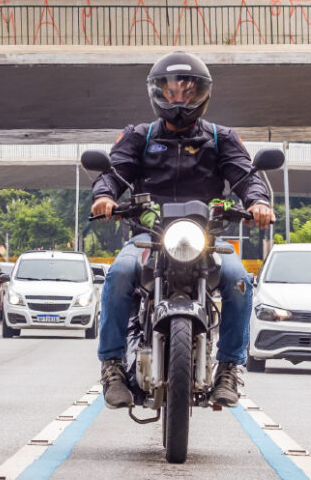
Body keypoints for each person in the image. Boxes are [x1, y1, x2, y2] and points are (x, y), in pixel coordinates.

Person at [92, 51, 275, 410]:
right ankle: (112, 366)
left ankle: (229, 368)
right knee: (119, 273)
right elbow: (114, 172)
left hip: (206, 237)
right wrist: (104, 197)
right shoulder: (139, 136)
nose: (180, 99)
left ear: (202, 94)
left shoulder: (221, 138)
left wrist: (258, 202)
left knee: (239, 280)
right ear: (158, 92)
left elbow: (246, 176)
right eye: (172, 91)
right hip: (149, 235)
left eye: (188, 92)